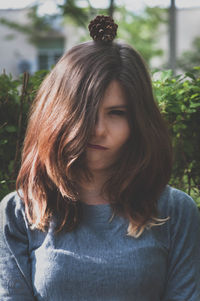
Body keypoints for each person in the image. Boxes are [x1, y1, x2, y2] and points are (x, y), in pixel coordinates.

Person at [0, 15, 200, 301]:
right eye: (85, 111)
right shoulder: (20, 212)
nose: (97, 130)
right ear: (58, 114)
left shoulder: (175, 211)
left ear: (139, 121)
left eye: (116, 113)